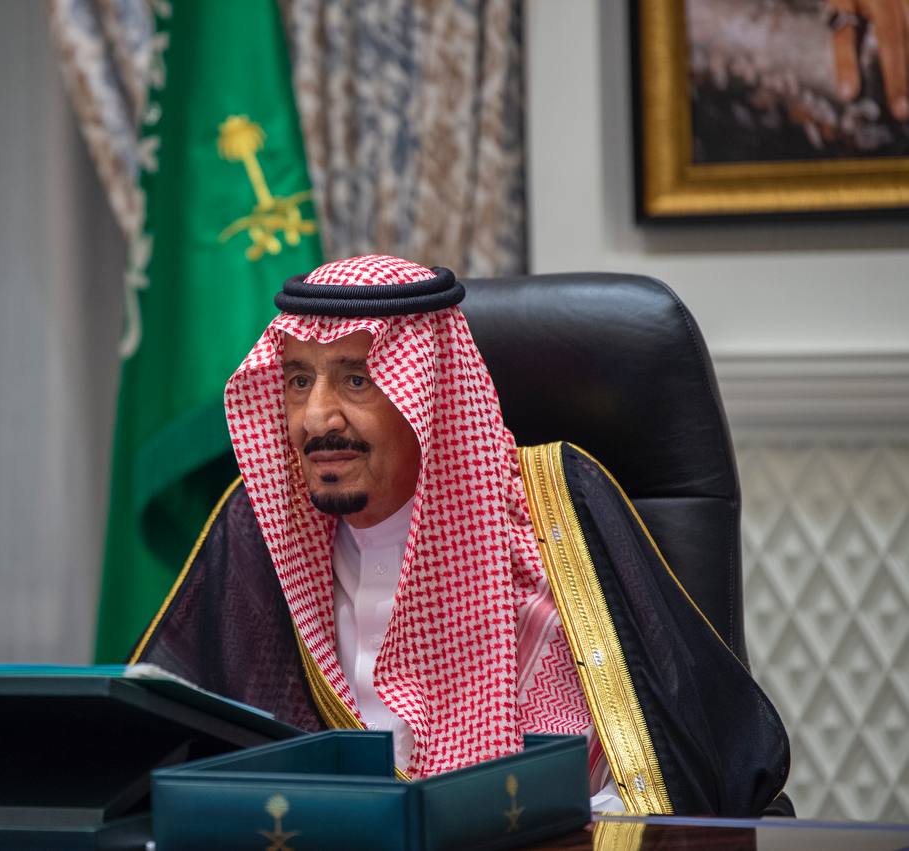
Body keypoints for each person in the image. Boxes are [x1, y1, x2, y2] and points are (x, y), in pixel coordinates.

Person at [129, 255, 789, 816]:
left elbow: (662, 779)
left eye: (356, 380)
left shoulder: (556, 510)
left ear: (429, 394)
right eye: (299, 380)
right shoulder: (261, 527)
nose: (315, 417)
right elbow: (166, 749)